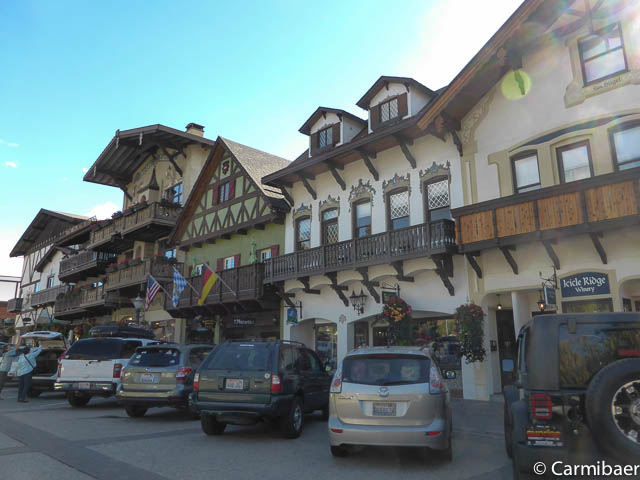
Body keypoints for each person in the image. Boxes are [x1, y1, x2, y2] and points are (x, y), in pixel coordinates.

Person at [14, 337, 43, 403]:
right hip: (27, 373)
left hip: (20, 373)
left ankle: (19, 398)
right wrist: (40, 344)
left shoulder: (21, 356)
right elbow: (39, 351)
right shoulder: (31, 355)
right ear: (29, 351)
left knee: (21, 386)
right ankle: (23, 398)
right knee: (26, 386)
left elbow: (18, 365)